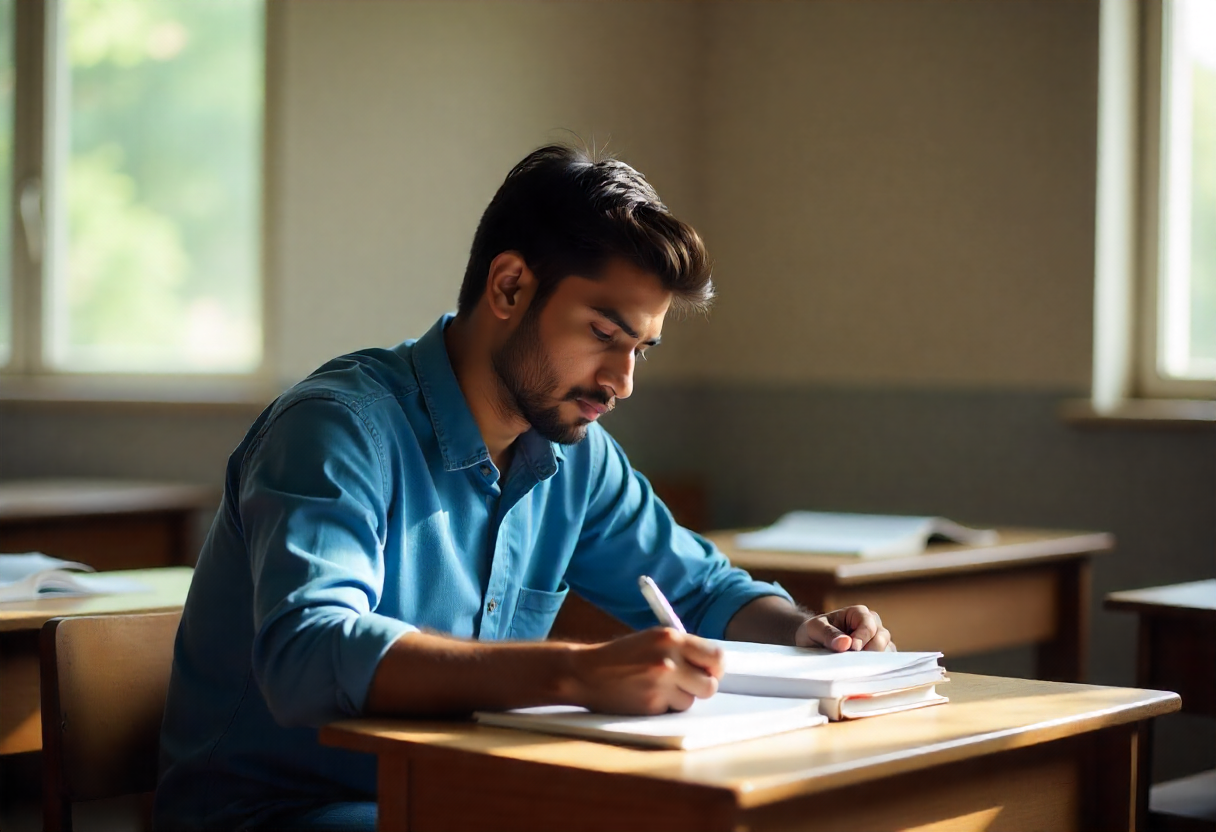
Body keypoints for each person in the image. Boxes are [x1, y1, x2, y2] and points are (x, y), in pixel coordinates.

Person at [154, 144, 892, 831]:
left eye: (641, 348)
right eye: (605, 334)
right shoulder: (336, 428)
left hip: (453, 797)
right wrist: (575, 672)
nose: (623, 381)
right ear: (509, 286)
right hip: (277, 813)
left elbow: (701, 589)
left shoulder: (575, 454)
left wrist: (803, 629)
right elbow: (308, 652)